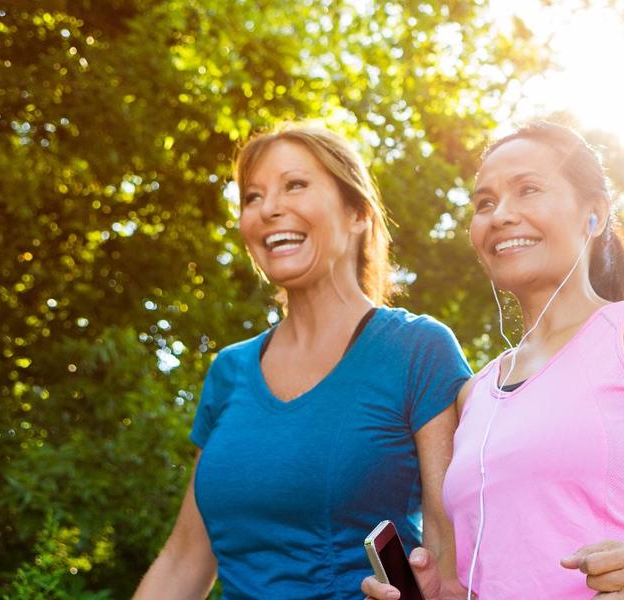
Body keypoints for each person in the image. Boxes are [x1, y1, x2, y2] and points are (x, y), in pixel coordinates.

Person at [363, 121, 624, 599]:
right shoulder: (474, 393)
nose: (500, 215)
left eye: (528, 190)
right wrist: (437, 593)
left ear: (594, 215)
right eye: (484, 203)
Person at [134, 124, 471, 599]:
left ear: (356, 213)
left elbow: (450, 547)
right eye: (252, 197)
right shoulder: (229, 372)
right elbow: (184, 559)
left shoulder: (417, 349)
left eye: (294, 185)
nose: (268, 208)